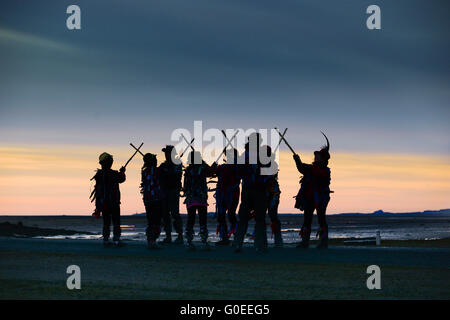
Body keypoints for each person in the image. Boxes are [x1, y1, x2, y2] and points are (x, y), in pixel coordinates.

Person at [293, 132, 331, 249]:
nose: (315, 157)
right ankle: (305, 242)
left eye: (318, 156)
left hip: (320, 198)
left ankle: (323, 242)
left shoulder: (325, 171)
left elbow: (313, 171)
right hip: (309, 197)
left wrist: (300, 163)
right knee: (307, 219)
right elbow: (302, 169)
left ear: (323, 159)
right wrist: (297, 161)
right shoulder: (311, 168)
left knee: (321, 218)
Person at [233, 133, 270, 253]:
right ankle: (239, 244)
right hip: (249, 190)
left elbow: (268, 172)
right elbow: (239, 172)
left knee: (258, 219)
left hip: (258, 190)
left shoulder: (263, 155)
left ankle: (259, 245)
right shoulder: (245, 156)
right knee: (245, 218)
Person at [90, 152, 126, 247]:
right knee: (116, 222)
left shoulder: (99, 175)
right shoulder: (113, 174)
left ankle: (106, 240)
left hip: (104, 203)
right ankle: (116, 240)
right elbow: (122, 179)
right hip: (113, 202)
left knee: (106, 222)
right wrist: (122, 172)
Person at [183, 150, 213, 249]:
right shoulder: (203, 168)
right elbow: (211, 172)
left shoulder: (188, 170)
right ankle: (204, 241)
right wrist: (203, 162)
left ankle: (189, 241)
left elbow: (185, 185)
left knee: (190, 219)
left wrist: (185, 192)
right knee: (202, 219)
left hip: (191, 198)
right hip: (200, 198)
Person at [211, 148, 241, 246]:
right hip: (222, 194)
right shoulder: (222, 167)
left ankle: (237, 237)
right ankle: (224, 238)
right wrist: (213, 167)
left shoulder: (237, 167)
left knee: (231, 214)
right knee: (221, 215)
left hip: (233, 194)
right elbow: (212, 172)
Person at [159, 145, 184, 244]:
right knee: (165, 214)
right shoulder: (163, 165)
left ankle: (180, 236)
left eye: (168, 153)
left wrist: (168, 170)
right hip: (164, 191)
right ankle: (168, 236)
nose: (166, 155)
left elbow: (176, 176)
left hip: (173, 191)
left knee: (175, 213)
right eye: (165, 153)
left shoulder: (177, 164)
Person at [140, 153, 163, 249]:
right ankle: (152, 241)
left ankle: (151, 240)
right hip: (156, 199)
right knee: (157, 221)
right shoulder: (158, 171)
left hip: (147, 199)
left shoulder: (144, 172)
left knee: (151, 221)